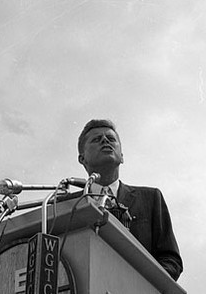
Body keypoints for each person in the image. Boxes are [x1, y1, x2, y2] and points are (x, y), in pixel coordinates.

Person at [77, 118, 183, 281]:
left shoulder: (150, 198)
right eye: (96, 139)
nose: (105, 141)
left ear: (122, 156)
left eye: (111, 139)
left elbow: (171, 261)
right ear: (82, 159)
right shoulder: (69, 206)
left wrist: (141, 284)